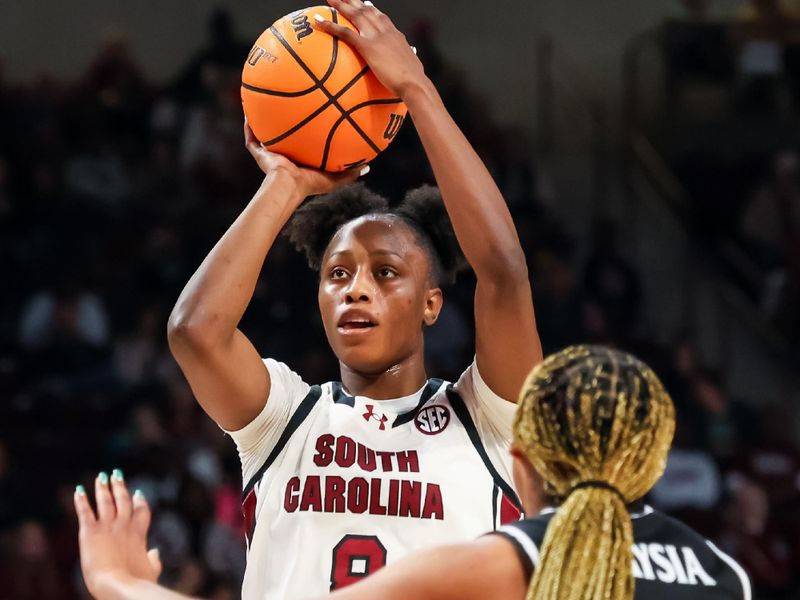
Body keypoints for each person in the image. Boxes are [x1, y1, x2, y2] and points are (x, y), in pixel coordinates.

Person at [165, 0, 541, 596]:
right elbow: (194, 331)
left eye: (386, 273)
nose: (356, 287)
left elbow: (503, 272)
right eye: (337, 275)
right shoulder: (285, 420)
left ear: (431, 305)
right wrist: (285, 183)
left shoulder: (488, 419)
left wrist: (416, 89)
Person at [74, 346, 751, 600]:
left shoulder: (510, 562)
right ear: (654, 460)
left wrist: (114, 582)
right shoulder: (727, 573)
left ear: (522, 460)